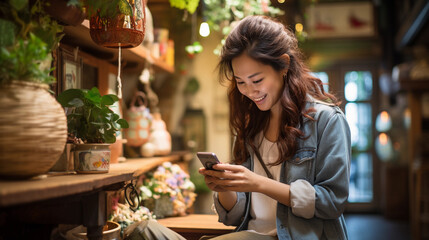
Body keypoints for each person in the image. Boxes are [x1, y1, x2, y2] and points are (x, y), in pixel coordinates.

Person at [199, 15, 351, 240]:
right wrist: (226, 188)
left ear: (284, 65)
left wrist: (259, 183)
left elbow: (331, 202)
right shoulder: (250, 127)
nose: (250, 91)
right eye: (240, 82)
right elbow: (235, 217)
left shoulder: (327, 121)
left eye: (257, 80)